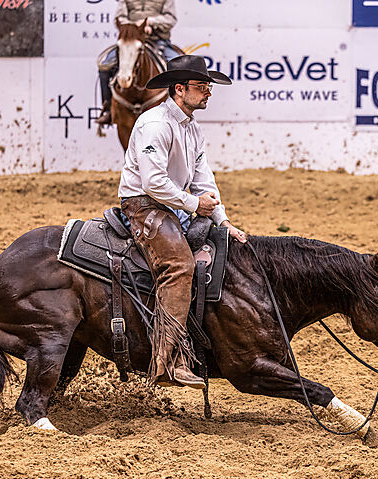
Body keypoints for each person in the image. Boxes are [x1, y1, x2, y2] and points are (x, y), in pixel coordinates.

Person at [118, 55, 247, 389]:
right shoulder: (155, 124)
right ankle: (166, 363)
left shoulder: (192, 128)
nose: (208, 92)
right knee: (179, 266)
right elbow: (153, 183)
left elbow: (204, 179)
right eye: (201, 86)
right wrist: (194, 204)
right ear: (179, 89)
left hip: (172, 206)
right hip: (143, 205)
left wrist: (222, 220)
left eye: (208, 86)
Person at [96, 0, 182, 125]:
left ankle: (179, 112)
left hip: (158, 40)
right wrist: (135, 27)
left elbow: (170, 19)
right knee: (105, 65)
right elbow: (120, 17)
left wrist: (150, 22)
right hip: (131, 39)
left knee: (181, 67)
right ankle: (108, 109)